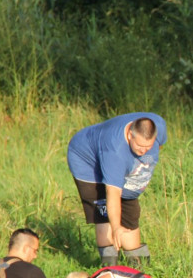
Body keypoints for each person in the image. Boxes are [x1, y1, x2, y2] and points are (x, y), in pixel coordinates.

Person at [67, 112, 167, 266]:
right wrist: (116, 228)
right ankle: (109, 266)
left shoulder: (158, 125)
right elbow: (113, 194)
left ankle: (139, 266)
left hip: (112, 155)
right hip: (86, 160)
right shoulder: (114, 151)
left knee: (130, 210)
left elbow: (157, 147)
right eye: (140, 146)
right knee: (103, 211)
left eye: (148, 146)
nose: (144, 151)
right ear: (130, 135)